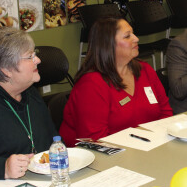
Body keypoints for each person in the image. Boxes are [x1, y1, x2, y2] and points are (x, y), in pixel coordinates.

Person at [60, 18, 173, 146]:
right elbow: (96, 140)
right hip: (104, 157)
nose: (136, 38)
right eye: (127, 36)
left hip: (148, 147)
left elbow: (165, 113)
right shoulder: (91, 84)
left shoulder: (145, 70)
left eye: (133, 33)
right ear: (108, 45)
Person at [0, 28, 58, 179]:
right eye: (30, 57)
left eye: (35, 54)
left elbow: (54, 140)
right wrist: (2, 168)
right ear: (7, 70)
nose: (38, 60)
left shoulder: (31, 93)